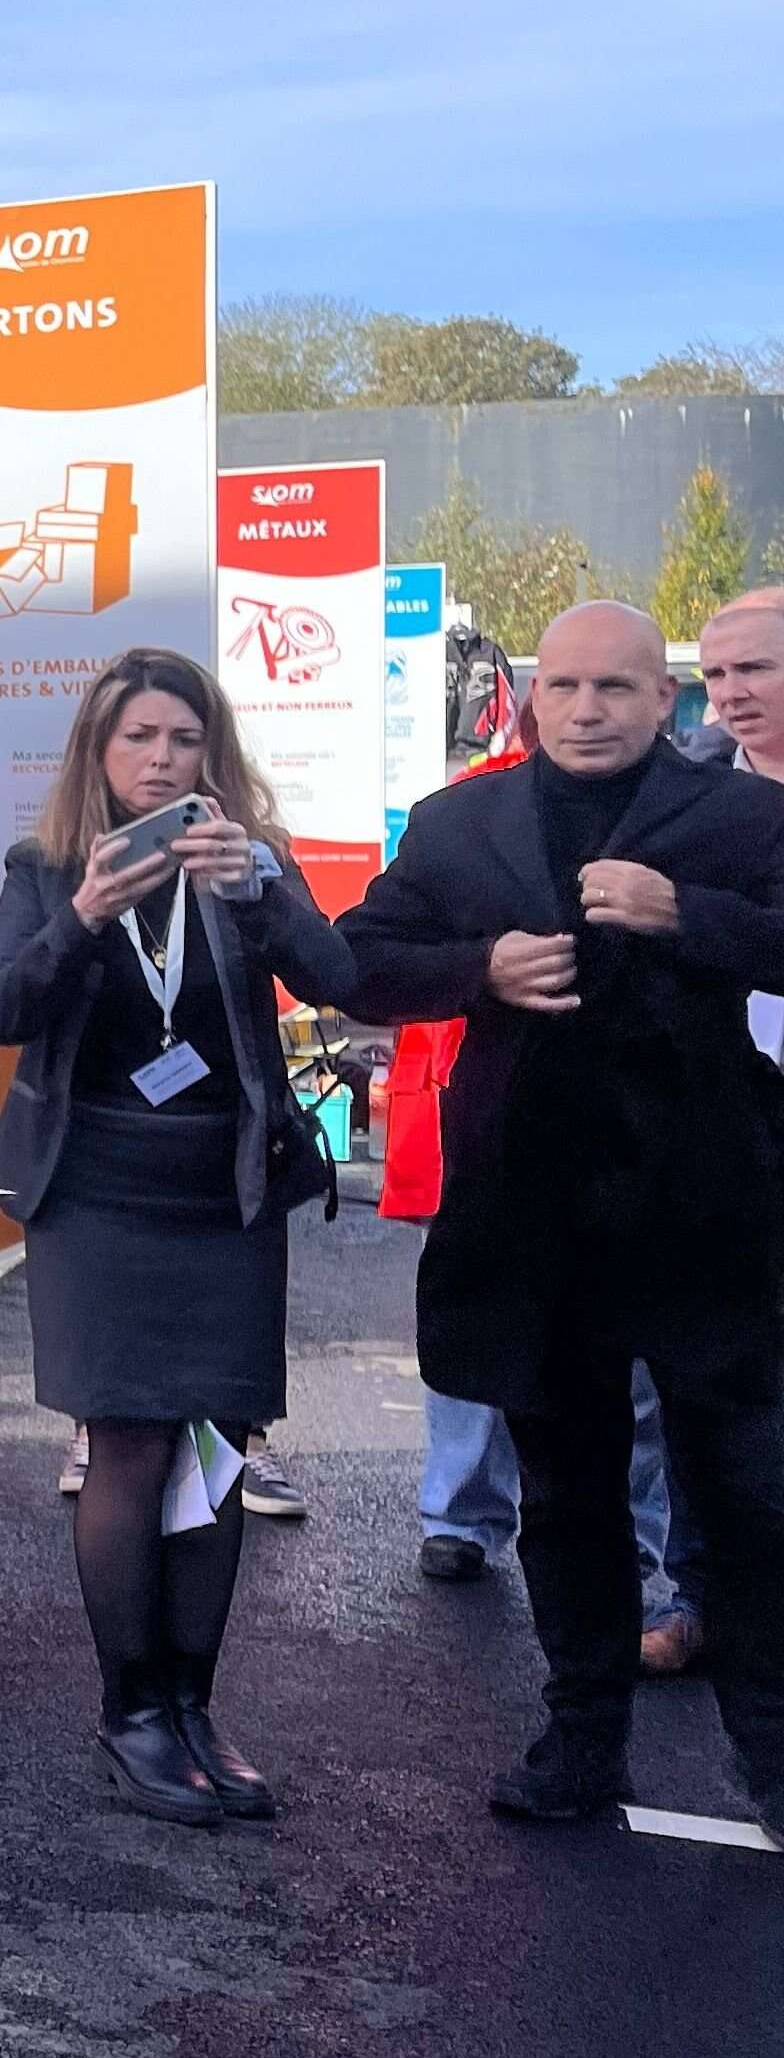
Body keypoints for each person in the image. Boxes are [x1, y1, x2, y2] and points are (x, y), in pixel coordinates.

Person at [336, 599, 784, 1824]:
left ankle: (773, 1753)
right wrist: (473, 968)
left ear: (666, 702)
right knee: (567, 1500)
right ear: (533, 699)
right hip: (532, 1223)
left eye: (618, 690)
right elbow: (353, 960)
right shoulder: (460, 821)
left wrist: (687, 917)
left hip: (708, 1217)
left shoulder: (745, 817)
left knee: (747, 1499)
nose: (587, 711)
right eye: (567, 689)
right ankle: (582, 1738)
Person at [0, 647, 357, 1826]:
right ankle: (131, 1714)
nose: (159, 759)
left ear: (212, 754)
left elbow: (343, 975)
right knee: (131, 1443)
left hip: (220, 1192)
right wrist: (87, 917)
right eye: (137, 737)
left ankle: (194, 1708)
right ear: (101, 750)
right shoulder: (48, 867)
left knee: (221, 1444)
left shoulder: (250, 862)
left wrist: (265, 892)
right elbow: (3, 1011)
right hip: (97, 1189)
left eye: (182, 741)